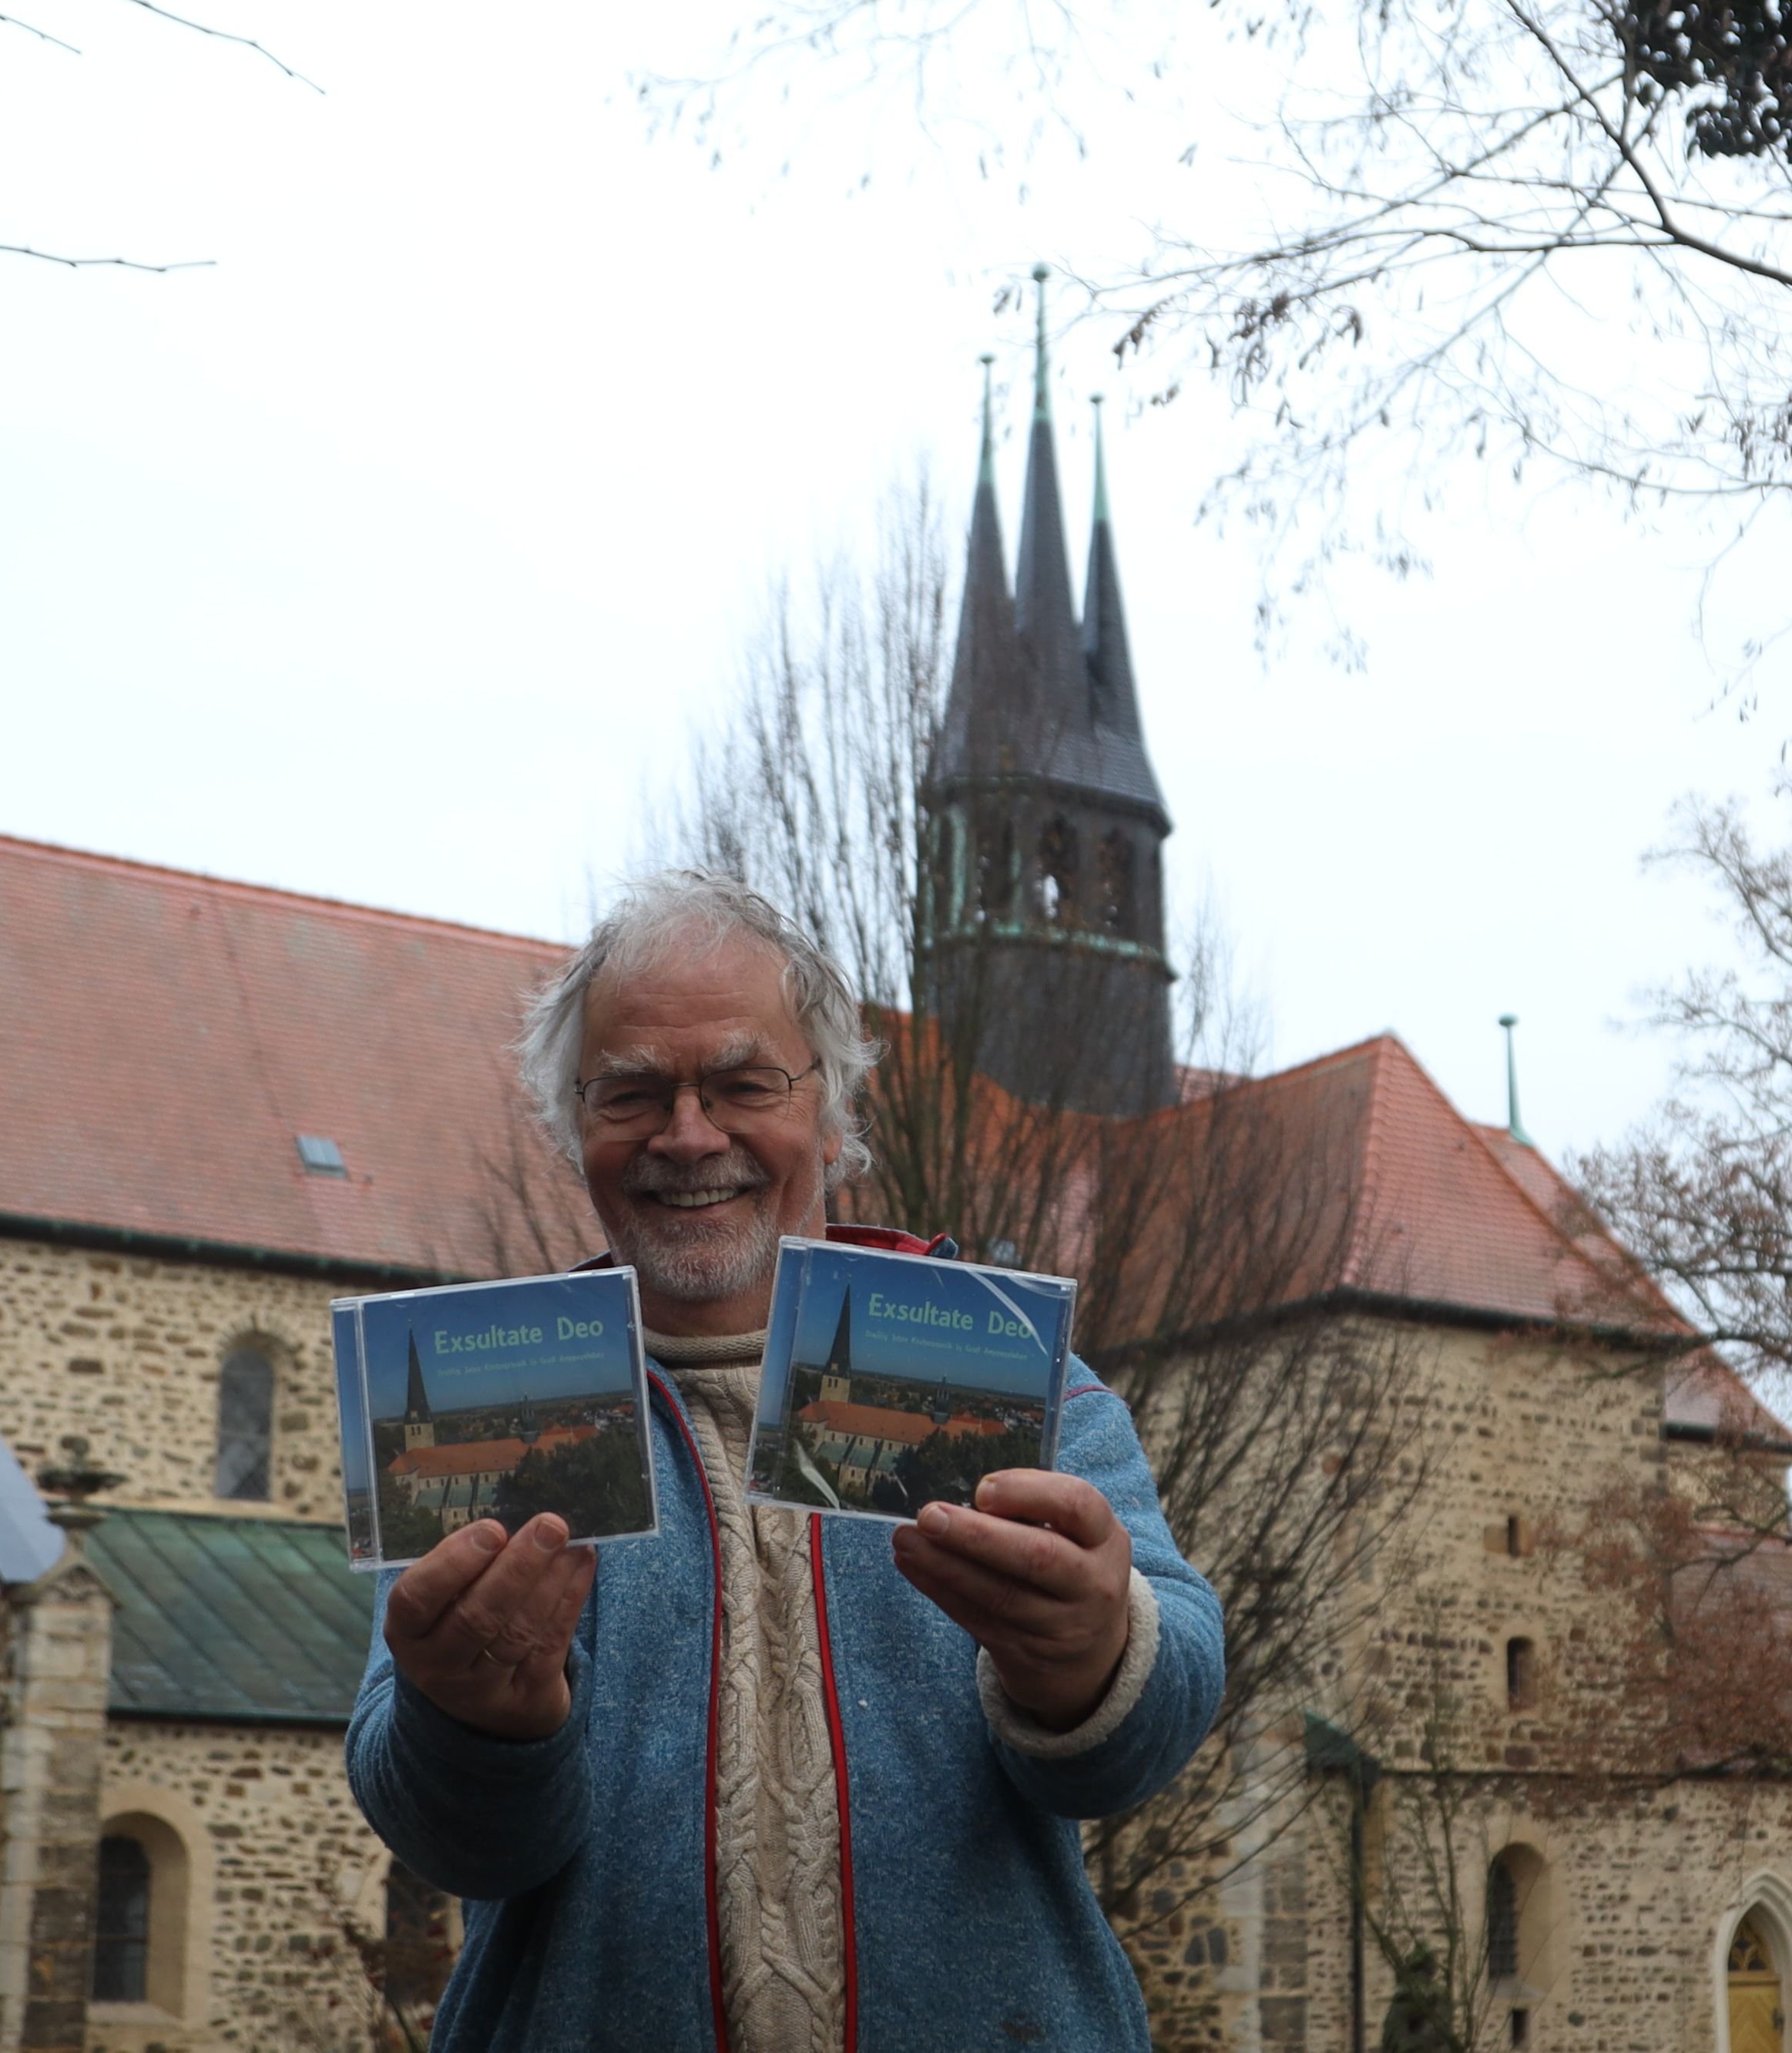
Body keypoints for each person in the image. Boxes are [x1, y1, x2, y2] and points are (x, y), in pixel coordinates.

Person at [346, 870, 1225, 2051]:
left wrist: (1098, 1657)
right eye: (631, 1093)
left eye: (744, 1085)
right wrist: (472, 1731)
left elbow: (1161, 1711)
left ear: (832, 1112)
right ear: (574, 1130)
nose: (688, 1135)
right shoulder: (476, 1403)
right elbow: (452, 1840)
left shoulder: (1007, 1367)